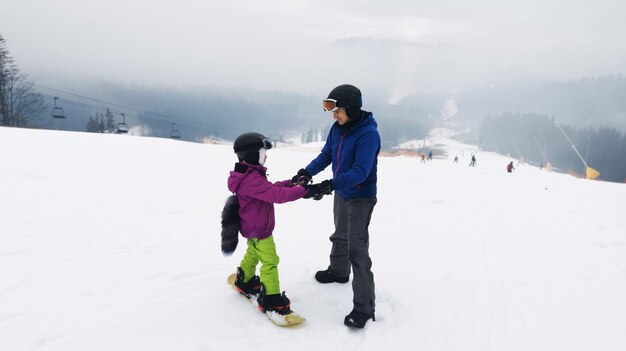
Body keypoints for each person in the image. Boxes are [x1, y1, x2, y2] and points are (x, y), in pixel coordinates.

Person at [291, 84, 380, 328]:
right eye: (330, 109)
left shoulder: (368, 134)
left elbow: (360, 172)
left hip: (361, 196)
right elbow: (326, 155)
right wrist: (306, 172)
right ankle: (339, 272)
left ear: (350, 108)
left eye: (336, 110)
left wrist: (329, 185)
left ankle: (364, 308)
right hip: (342, 192)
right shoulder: (338, 128)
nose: (333, 115)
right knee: (340, 235)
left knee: (357, 250)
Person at [227, 132, 319, 315]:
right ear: (252, 154)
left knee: (253, 253)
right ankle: (271, 298)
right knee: (270, 261)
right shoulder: (251, 180)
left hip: (253, 228)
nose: (266, 155)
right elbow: (276, 195)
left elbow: (272, 188)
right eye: (263, 152)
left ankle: (244, 280)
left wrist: (291, 183)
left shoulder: (249, 175)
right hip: (260, 230)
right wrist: (304, 190)